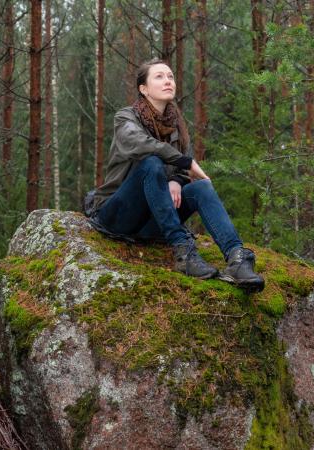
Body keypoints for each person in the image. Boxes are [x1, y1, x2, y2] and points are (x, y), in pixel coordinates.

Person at [88, 58, 264, 292]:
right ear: (144, 88)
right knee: (150, 163)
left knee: (201, 188)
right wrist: (184, 161)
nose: (168, 81)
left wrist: (176, 179)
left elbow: (181, 171)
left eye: (170, 76)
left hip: (150, 223)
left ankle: (237, 258)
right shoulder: (125, 118)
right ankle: (184, 252)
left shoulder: (177, 126)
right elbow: (139, 144)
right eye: (159, 76)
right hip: (118, 215)